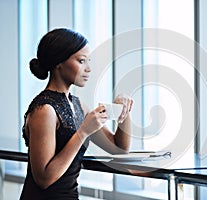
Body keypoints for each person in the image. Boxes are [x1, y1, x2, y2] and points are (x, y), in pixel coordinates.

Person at [20, 28, 133, 200]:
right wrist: (83, 132)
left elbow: (119, 149)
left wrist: (124, 111)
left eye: (89, 61)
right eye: (81, 61)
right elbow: (44, 179)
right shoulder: (44, 110)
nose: (88, 69)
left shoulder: (78, 105)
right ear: (59, 62)